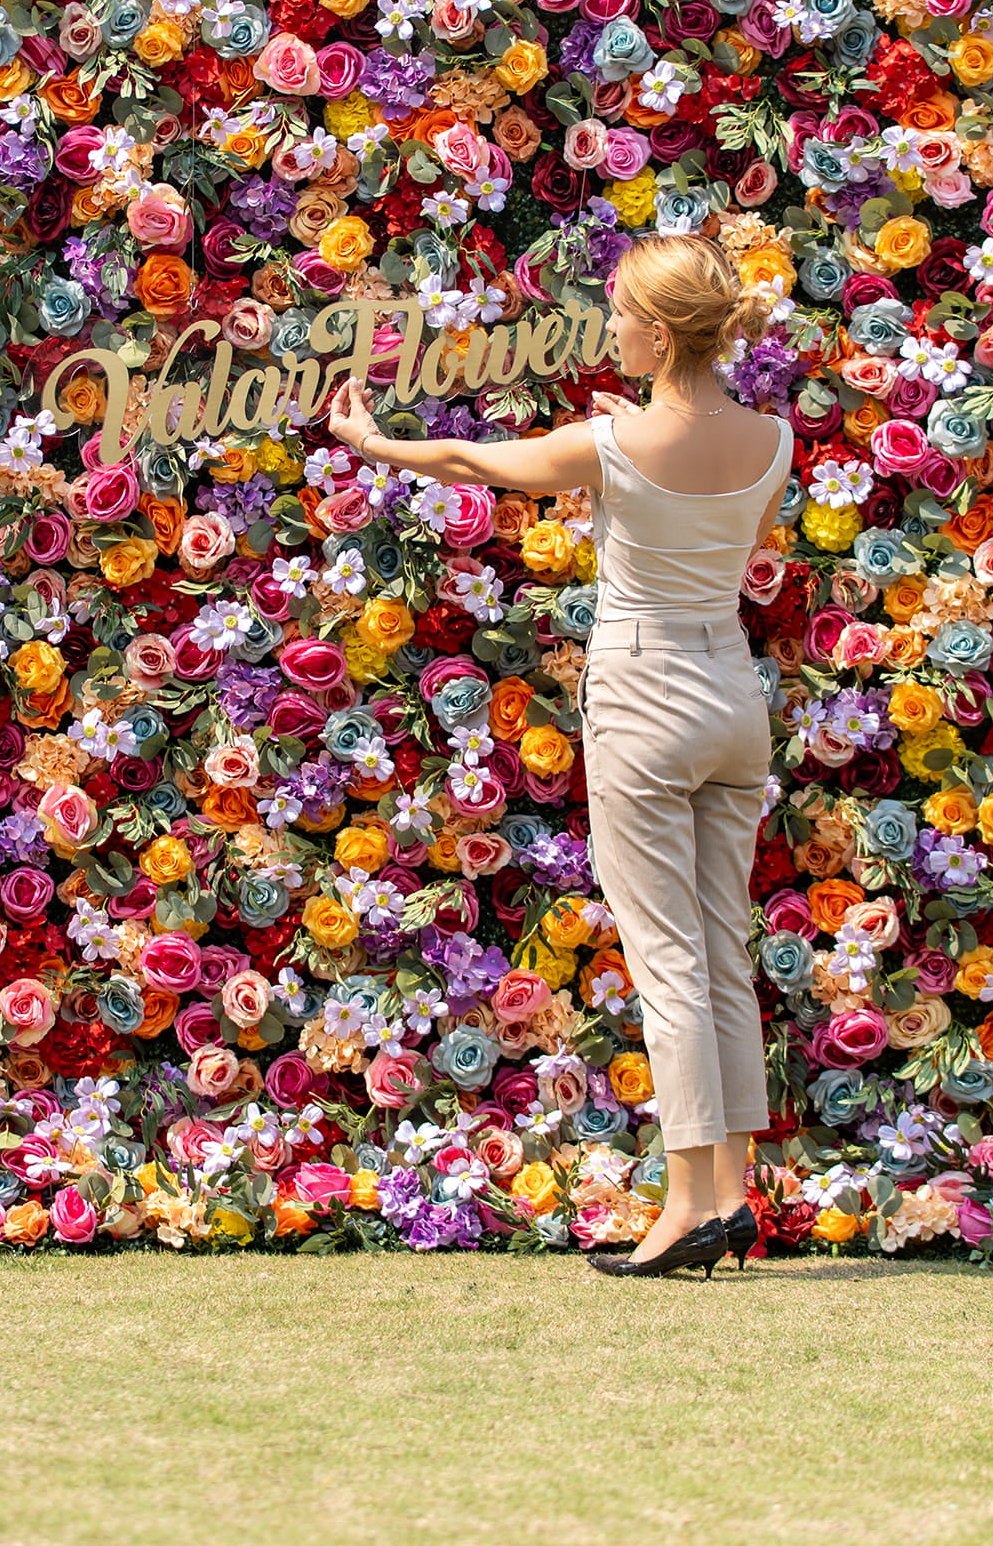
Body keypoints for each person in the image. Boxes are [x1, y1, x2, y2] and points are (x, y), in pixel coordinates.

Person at [327, 231, 795, 1279]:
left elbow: (470, 462)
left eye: (623, 311)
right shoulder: (772, 439)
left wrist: (373, 445)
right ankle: (729, 1192)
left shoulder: (616, 437)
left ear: (660, 328)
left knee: (667, 953)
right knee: (720, 948)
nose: (612, 327)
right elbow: (744, 543)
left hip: (643, 690)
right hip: (731, 696)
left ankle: (682, 1203)